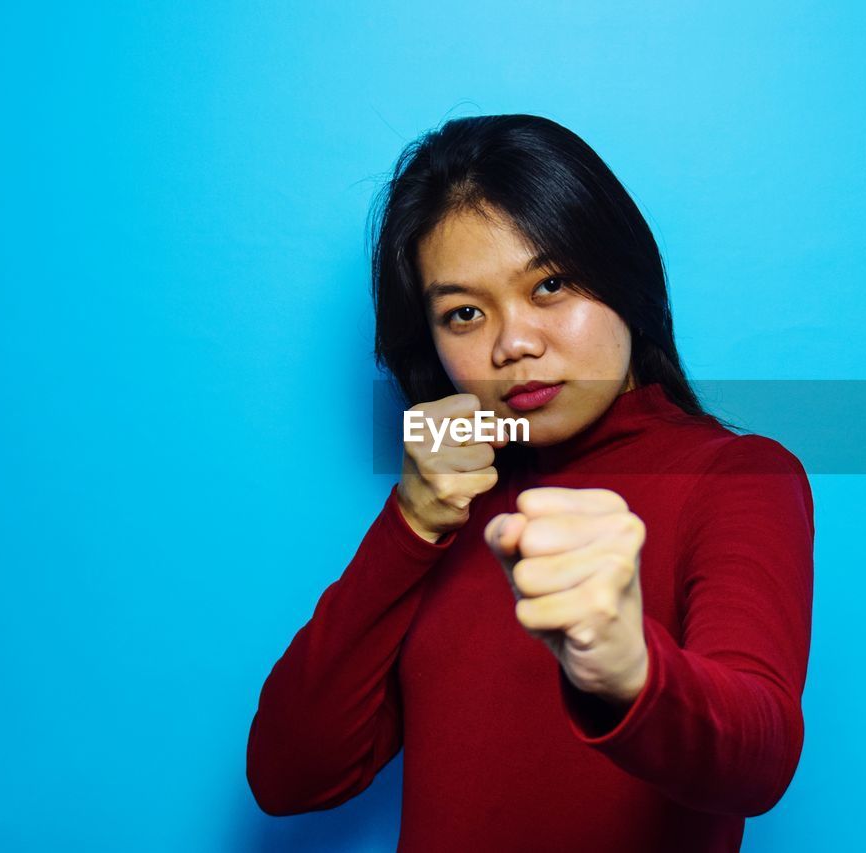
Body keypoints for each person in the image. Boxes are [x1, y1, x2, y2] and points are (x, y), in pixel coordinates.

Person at [246, 114, 815, 853]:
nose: (514, 342)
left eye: (549, 283)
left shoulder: (735, 476)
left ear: (621, 272)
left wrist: (626, 668)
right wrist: (409, 525)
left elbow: (758, 759)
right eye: (464, 313)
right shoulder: (451, 506)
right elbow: (290, 776)